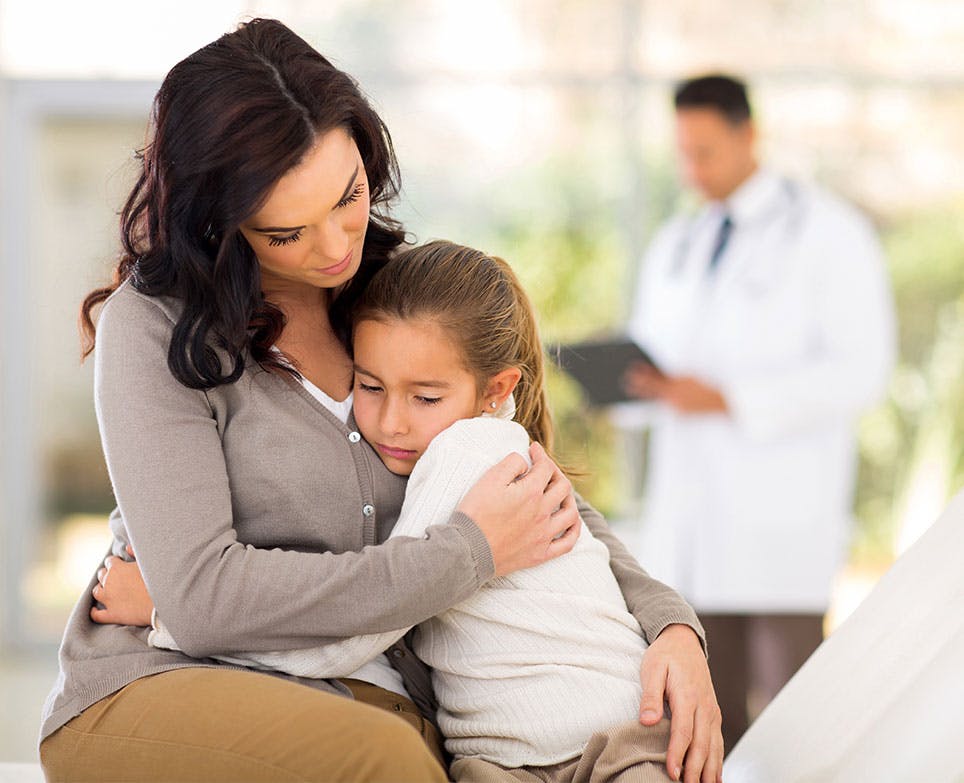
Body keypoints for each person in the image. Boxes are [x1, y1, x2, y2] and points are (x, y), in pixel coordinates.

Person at [39, 19, 722, 783]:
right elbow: (203, 598)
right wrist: (466, 553)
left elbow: (528, 493)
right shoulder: (155, 326)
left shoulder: (387, 293)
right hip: (162, 684)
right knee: (388, 761)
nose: (335, 245)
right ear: (220, 220)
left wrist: (673, 630)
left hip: (372, 696)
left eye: (350, 196)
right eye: (287, 231)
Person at [102, 239, 712, 783]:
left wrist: (170, 615)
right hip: (500, 758)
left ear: (496, 390)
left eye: (425, 397)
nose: (392, 422)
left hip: (612, 741)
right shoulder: (469, 433)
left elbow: (356, 634)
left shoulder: (463, 453)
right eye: (368, 387)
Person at [623, 74, 896, 753]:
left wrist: (730, 398)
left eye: (707, 151)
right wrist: (632, 387)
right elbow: (657, 357)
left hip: (779, 522)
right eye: (683, 153)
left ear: (749, 135)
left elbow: (862, 368)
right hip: (692, 521)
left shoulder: (829, 233)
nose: (693, 170)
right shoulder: (677, 242)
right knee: (707, 722)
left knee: (799, 719)